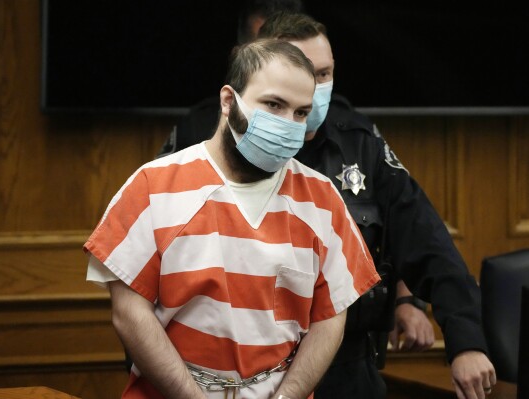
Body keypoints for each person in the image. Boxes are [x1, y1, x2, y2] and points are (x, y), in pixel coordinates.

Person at [158, 8, 498, 399]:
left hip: (346, 366)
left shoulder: (359, 144)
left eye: (324, 73)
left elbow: (428, 243)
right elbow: (150, 272)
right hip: (232, 369)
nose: (316, 87)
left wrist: (466, 340)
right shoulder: (208, 143)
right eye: (302, 71)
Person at [84, 38, 380, 399]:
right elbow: (129, 314)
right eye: (274, 104)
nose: (289, 125)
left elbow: (330, 317)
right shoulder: (152, 186)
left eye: (301, 113)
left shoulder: (323, 198)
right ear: (228, 101)